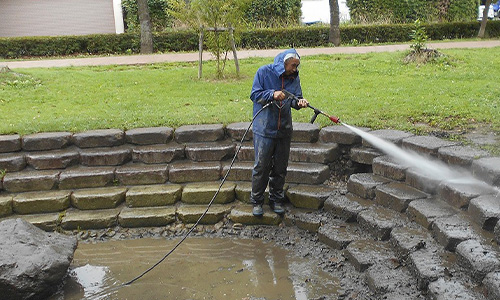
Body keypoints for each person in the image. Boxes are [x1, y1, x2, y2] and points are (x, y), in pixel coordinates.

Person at [249, 48, 309, 217]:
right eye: (293, 66)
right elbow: (255, 94)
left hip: (284, 129)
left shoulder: (294, 78)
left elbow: (295, 100)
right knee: (261, 166)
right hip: (264, 129)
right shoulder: (264, 72)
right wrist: (272, 94)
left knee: (280, 168)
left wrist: (300, 103)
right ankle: (257, 201)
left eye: (297, 66)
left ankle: (276, 200)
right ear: (284, 63)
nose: (295, 69)